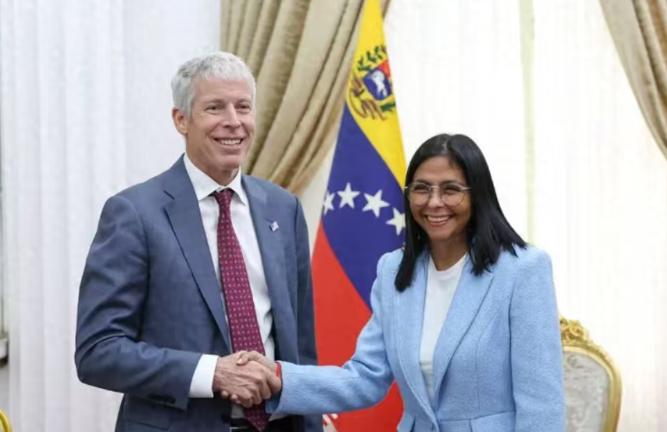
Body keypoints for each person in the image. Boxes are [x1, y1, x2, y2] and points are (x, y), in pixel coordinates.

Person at [237, 133, 565, 432]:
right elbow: (365, 377)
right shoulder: (394, 270)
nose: (434, 202)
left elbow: (541, 407)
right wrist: (278, 377)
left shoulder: (523, 270)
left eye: (450, 189)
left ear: (477, 195)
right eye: (421, 189)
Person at [75, 51, 321, 432]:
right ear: (181, 120)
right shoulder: (134, 214)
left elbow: (302, 349)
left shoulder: (283, 209)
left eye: (243, 107)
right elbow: (98, 351)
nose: (234, 121)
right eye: (215, 108)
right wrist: (212, 373)